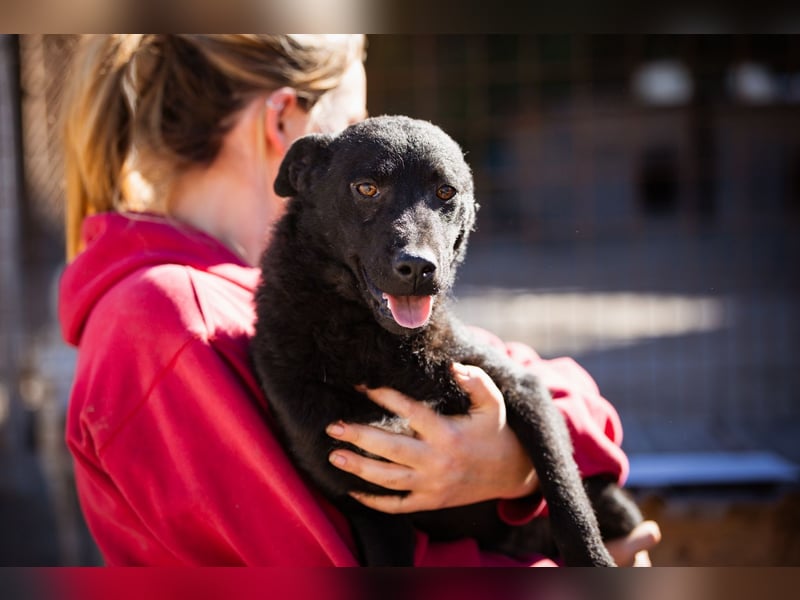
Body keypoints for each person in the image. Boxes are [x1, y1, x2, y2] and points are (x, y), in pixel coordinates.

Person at [58, 34, 660, 566]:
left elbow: (557, 392)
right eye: (360, 120)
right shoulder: (171, 321)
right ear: (285, 125)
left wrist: (514, 465)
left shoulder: (307, 284)